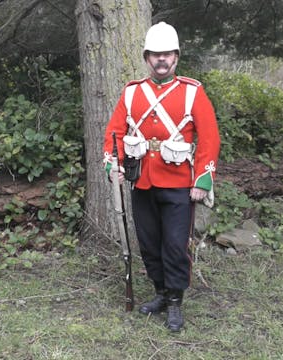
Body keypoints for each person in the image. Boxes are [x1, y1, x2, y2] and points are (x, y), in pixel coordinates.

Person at [102, 21, 220, 332]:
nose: (161, 59)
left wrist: (202, 181)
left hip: (180, 184)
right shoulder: (131, 93)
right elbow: (114, 133)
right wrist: (112, 164)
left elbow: (209, 139)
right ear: (146, 58)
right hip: (142, 181)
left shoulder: (192, 92)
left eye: (167, 54)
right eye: (155, 54)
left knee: (174, 245)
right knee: (149, 244)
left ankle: (175, 303)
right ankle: (159, 294)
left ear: (176, 57)